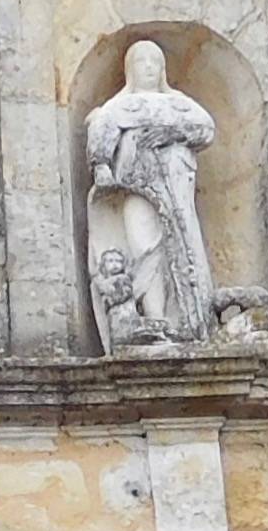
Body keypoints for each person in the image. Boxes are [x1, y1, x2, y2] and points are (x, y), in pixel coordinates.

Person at [83, 38, 217, 347]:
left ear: (162, 69)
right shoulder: (119, 107)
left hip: (177, 194)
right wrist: (101, 165)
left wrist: (171, 132)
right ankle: (155, 318)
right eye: (140, 62)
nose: (148, 67)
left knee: (181, 247)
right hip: (136, 188)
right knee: (145, 248)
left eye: (154, 62)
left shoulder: (179, 104)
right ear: (130, 69)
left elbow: (205, 129)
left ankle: (186, 321)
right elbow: (101, 135)